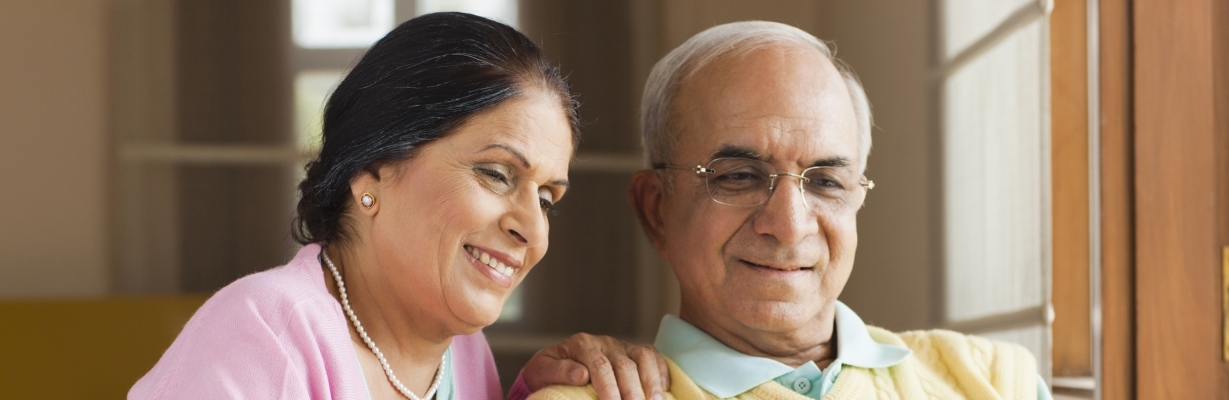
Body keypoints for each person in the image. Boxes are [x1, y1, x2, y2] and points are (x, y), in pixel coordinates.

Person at [130, 13, 667, 400]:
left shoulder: (464, 357)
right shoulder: (265, 333)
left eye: (548, 198)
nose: (532, 229)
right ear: (375, 169)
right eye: (498, 174)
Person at [528, 21, 1053, 400]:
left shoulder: (990, 380)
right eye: (737, 176)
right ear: (656, 210)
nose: (788, 225)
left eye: (825, 181)